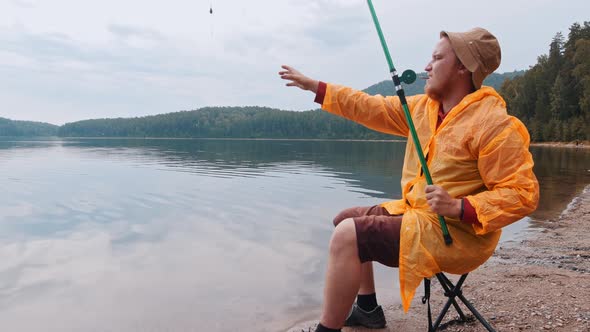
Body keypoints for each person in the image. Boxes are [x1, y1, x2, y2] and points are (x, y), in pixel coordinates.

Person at [279, 27, 539, 332]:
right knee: (345, 220)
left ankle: (327, 329)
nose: (426, 66)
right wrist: (316, 87)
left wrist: (459, 206)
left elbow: (523, 194)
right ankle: (367, 309)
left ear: (462, 68)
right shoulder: (423, 108)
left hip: (458, 234)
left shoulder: (494, 124)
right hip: (418, 214)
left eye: (437, 58)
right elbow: (370, 107)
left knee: (349, 236)